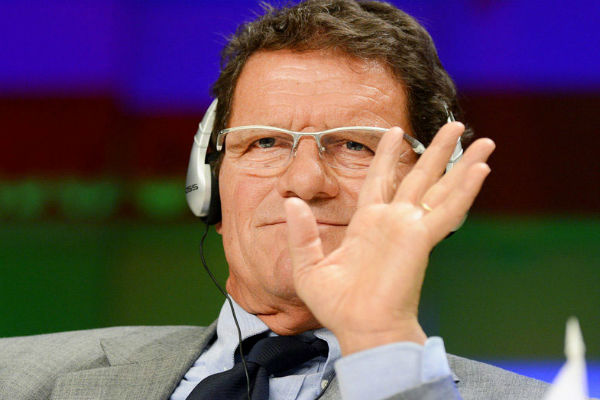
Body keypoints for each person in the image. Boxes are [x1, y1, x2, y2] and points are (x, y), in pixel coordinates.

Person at [0, 1, 551, 399]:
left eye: (355, 145)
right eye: (265, 142)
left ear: (428, 189)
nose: (304, 182)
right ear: (209, 185)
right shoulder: (14, 376)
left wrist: (382, 345)